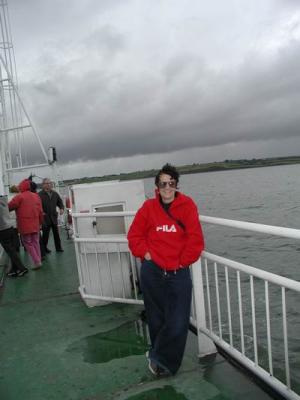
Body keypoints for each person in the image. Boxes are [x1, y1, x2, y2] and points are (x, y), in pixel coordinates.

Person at [127, 163, 205, 377]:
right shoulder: (148, 208)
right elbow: (134, 236)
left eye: (171, 183)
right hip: (152, 272)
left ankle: (158, 356)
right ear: (157, 186)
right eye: (163, 183)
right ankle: (160, 361)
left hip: (178, 272)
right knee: (156, 319)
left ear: (176, 185)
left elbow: (195, 239)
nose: (167, 187)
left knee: (179, 321)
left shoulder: (187, 205)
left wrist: (182, 261)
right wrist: (146, 254)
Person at [9, 179, 44, 270]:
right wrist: (40, 222)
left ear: (21, 187)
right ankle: (38, 260)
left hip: (25, 225)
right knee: (36, 242)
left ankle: (37, 261)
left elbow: (9, 206)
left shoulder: (19, 197)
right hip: (35, 224)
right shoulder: (36, 196)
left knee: (27, 242)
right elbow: (40, 211)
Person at [0, 194, 28, 277]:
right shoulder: (3, 200)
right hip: (10, 227)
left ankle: (22, 268)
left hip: (2, 229)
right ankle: (14, 269)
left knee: (10, 251)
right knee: (12, 250)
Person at [38, 178, 64, 253]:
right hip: (45, 218)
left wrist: (61, 208)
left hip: (53, 217)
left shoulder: (55, 193)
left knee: (56, 234)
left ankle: (58, 248)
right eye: (47, 183)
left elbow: (60, 202)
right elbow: (37, 206)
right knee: (45, 235)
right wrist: (41, 212)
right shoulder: (39, 195)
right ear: (43, 185)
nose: (49, 184)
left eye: (50, 183)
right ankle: (44, 249)